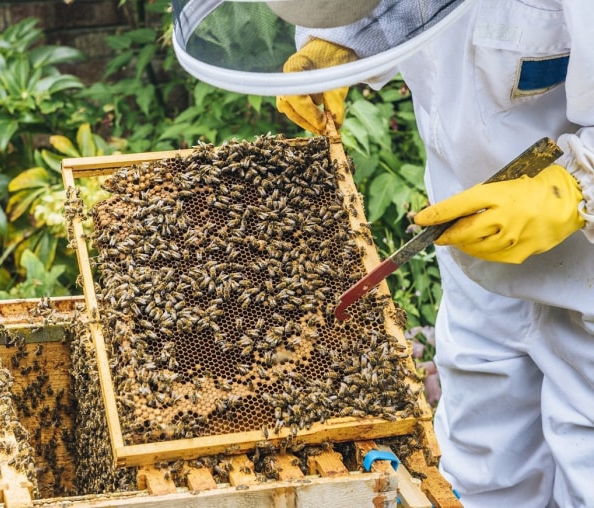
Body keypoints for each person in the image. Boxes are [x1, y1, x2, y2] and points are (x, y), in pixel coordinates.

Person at [171, 1, 594, 506]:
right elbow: (419, 13)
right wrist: (346, 37)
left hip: (587, 278)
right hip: (478, 266)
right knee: (483, 477)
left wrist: (576, 186)